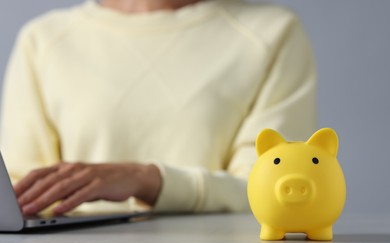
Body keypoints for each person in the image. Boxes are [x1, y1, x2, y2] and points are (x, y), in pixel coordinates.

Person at [0, 0, 317, 216]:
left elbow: (273, 193)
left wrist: (149, 180)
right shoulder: (43, 41)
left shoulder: (271, 33)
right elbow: (20, 195)